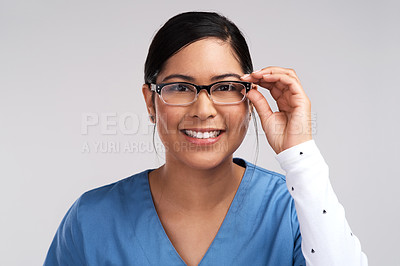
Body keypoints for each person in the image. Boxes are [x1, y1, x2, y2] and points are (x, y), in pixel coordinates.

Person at [44, 11, 368, 266]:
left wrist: (300, 153)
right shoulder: (91, 219)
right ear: (150, 101)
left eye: (225, 87)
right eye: (180, 87)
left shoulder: (296, 208)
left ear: (250, 98)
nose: (203, 109)